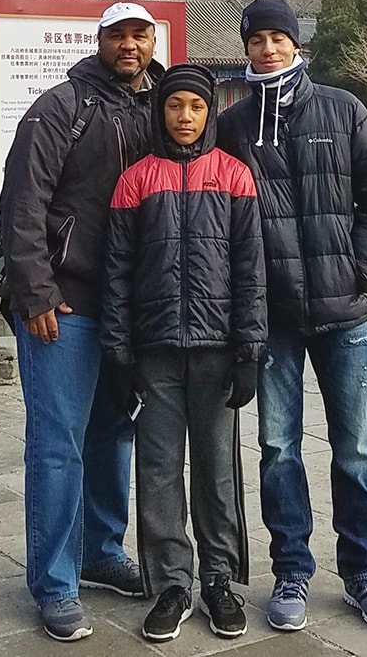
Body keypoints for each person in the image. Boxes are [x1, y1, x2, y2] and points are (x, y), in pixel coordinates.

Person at [217, 0, 367, 632]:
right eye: (257, 39)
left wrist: (360, 269)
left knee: (356, 448)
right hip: (272, 316)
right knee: (277, 448)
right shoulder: (236, 123)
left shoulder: (342, 109)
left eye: (278, 38)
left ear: (296, 43)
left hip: (343, 312)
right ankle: (291, 570)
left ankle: (362, 571)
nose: (268, 49)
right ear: (245, 47)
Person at [0, 2, 164, 642]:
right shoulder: (60, 107)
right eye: (118, 34)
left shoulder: (160, 107)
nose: (129, 45)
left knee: (111, 434)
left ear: (153, 41)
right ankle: (56, 582)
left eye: (139, 34)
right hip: (62, 306)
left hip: (128, 306)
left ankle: (101, 549)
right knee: (57, 444)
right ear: (98, 40)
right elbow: (24, 204)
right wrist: (35, 291)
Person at [101, 64, 267, 643]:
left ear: (210, 112)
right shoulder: (136, 179)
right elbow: (117, 273)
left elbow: (251, 270)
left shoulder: (235, 177)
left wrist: (250, 349)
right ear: (161, 112)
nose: (186, 117)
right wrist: (119, 353)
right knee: (158, 470)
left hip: (219, 351)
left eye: (196, 107)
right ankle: (171, 583)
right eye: (175, 107)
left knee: (218, 472)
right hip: (155, 352)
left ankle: (219, 579)